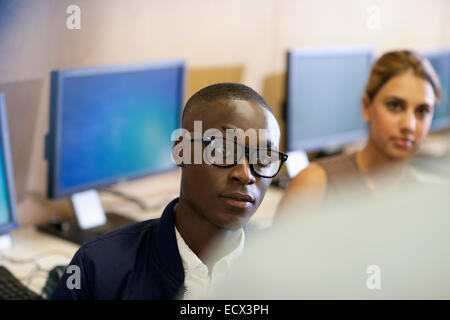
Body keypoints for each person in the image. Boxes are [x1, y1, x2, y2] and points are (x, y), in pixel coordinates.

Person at [51, 82, 287, 300]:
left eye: (264, 157)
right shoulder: (98, 266)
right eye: (223, 149)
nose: (245, 174)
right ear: (182, 151)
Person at [280, 50, 441, 211]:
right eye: (395, 106)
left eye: (422, 111)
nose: (409, 125)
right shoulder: (314, 184)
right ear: (366, 107)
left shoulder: (426, 201)